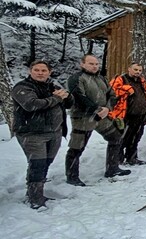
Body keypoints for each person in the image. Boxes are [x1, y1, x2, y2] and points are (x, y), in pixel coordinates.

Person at [11, 60, 73, 208]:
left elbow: (69, 103)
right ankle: (35, 198)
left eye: (44, 70)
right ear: (30, 71)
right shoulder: (22, 87)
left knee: (46, 162)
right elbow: (31, 104)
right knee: (37, 164)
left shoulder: (52, 86)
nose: (40, 73)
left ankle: (36, 191)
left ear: (49, 72)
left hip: (54, 132)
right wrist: (57, 98)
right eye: (36, 70)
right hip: (31, 133)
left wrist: (67, 96)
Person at [65, 54, 130, 186]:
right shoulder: (76, 78)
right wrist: (96, 109)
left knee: (116, 137)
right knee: (77, 147)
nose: (94, 66)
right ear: (82, 64)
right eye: (91, 64)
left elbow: (111, 94)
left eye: (96, 64)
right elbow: (79, 97)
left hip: (103, 116)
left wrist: (106, 108)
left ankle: (112, 168)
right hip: (83, 117)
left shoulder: (101, 78)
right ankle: (72, 176)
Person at [109, 63, 146, 165]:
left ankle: (132, 158)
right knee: (122, 138)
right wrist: (126, 89)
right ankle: (118, 159)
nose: (138, 72)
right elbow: (112, 91)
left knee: (136, 138)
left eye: (139, 70)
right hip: (125, 115)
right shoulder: (121, 80)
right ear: (129, 69)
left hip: (141, 115)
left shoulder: (143, 82)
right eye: (135, 70)